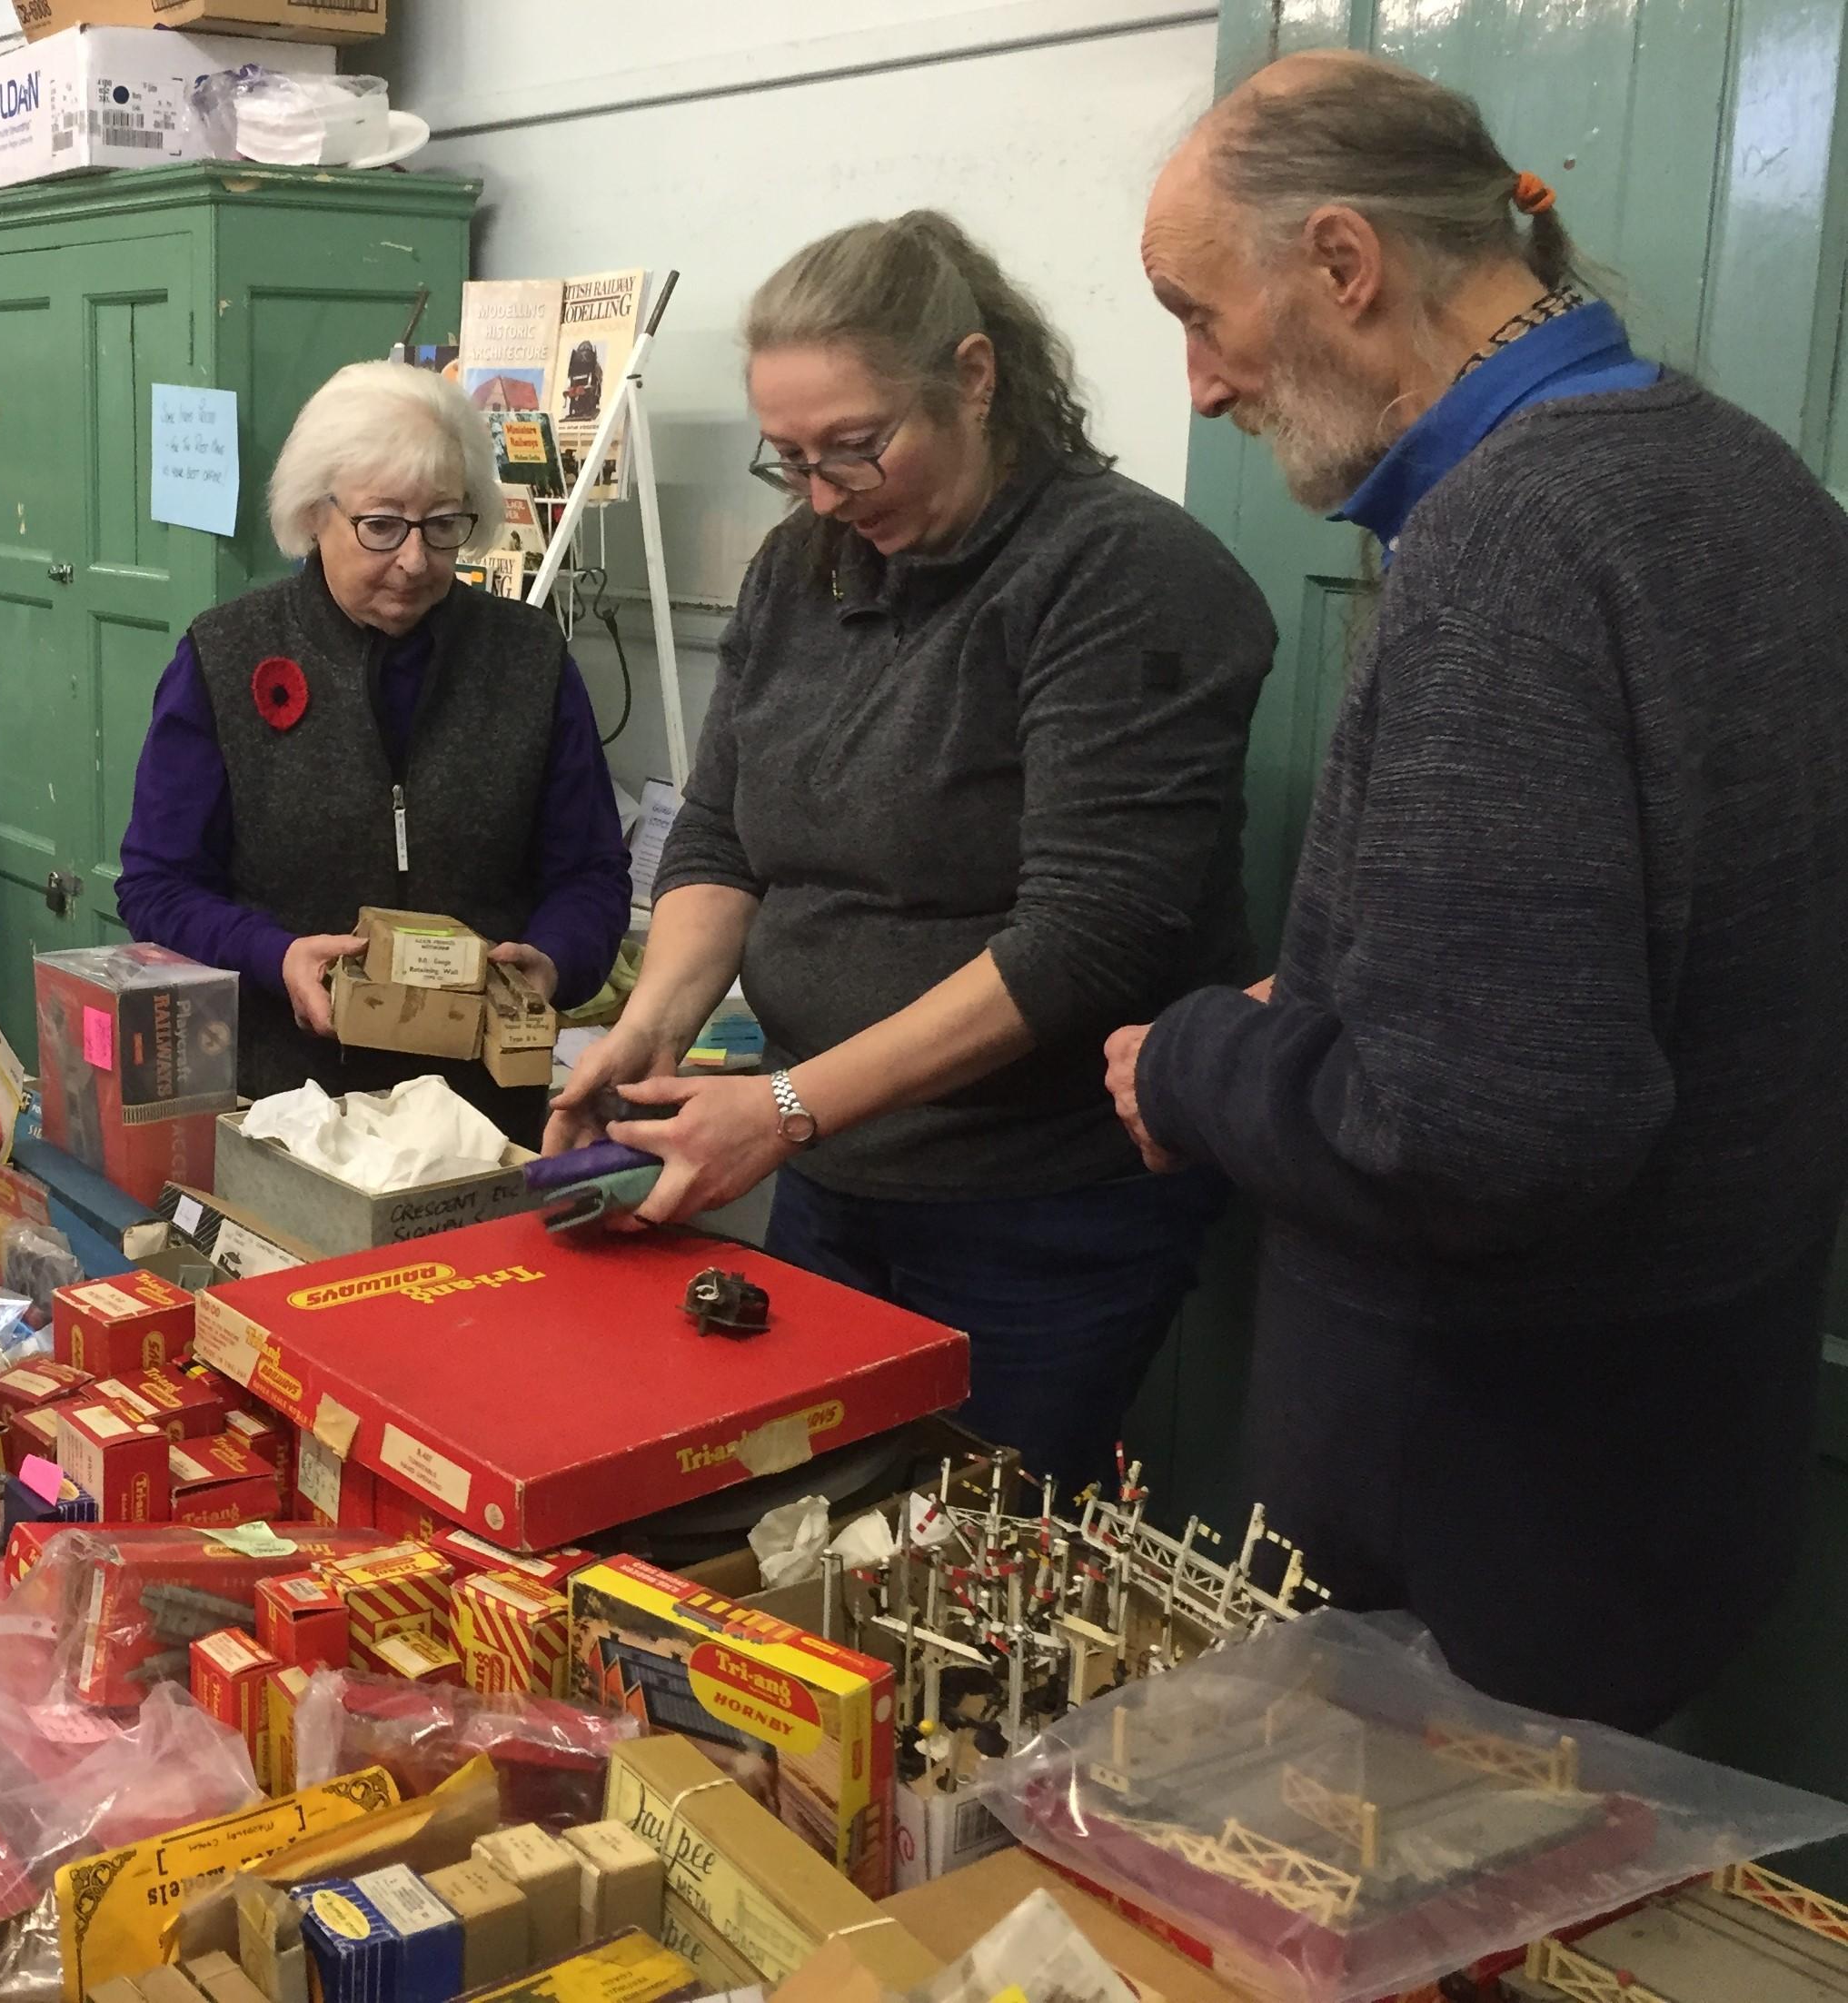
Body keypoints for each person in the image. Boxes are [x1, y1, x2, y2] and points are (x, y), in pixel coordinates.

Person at [1106, 53, 1848, 1729]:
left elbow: (1484, 1133)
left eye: (1197, 314)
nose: (1200, 386)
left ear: (1341, 263)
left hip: (1489, 1539)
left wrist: (1193, 1061)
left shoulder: (1509, 544)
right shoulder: (1749, 477)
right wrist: (1350, 993)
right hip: (1680, 1471)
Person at [547, 211, 1276, 1498]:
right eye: (790, 460)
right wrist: (652, 1025)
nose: (826, 494)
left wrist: (783, 1105)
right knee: (803, 1534)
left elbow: (1087, 939)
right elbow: (721, 830)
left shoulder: (1124, 577)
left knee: (965, 1544)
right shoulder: (803, 564)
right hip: (832, 1173)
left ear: (973, 377)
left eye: (855, 446)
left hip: (1037, 1206)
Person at [117, 362, 630, 1142]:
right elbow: (156, 885)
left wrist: (555, 960)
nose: (416, 560)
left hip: (481, 1119)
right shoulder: (225, 657)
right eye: (382, 526)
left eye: (443, 525)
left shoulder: (529, 662)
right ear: (313, 513)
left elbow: (591, 874)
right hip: (286, 1110)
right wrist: (275, 955)